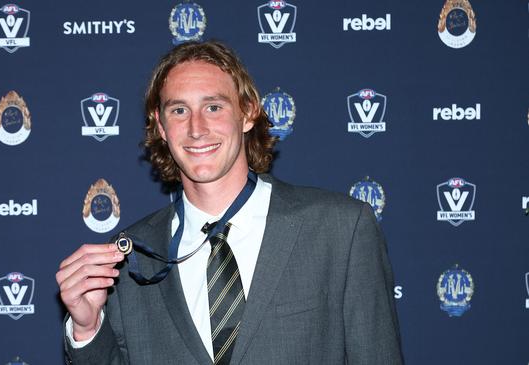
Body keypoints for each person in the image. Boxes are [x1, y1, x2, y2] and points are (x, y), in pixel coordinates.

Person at [56, 40, 403, 365]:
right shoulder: (130, 260)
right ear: (161, 127)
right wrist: (88, 330)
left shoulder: (340, 229)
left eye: (213, 106)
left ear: (248, 113)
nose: (196, 128)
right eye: (179, 110)